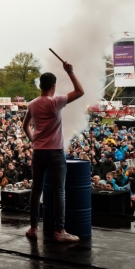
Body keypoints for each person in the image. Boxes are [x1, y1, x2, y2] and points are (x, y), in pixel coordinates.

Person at [22, 58, 84, 242]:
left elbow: (25, 126)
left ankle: (33, 228)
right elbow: (80, 91)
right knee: (59, 191)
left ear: (40, 85)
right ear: (53, 86)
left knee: (36, 190)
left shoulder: (32, 104)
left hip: (38, 152)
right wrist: (70, 71)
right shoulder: (57, 101)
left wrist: (34, 141)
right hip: (55, 152)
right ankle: (59, 231)